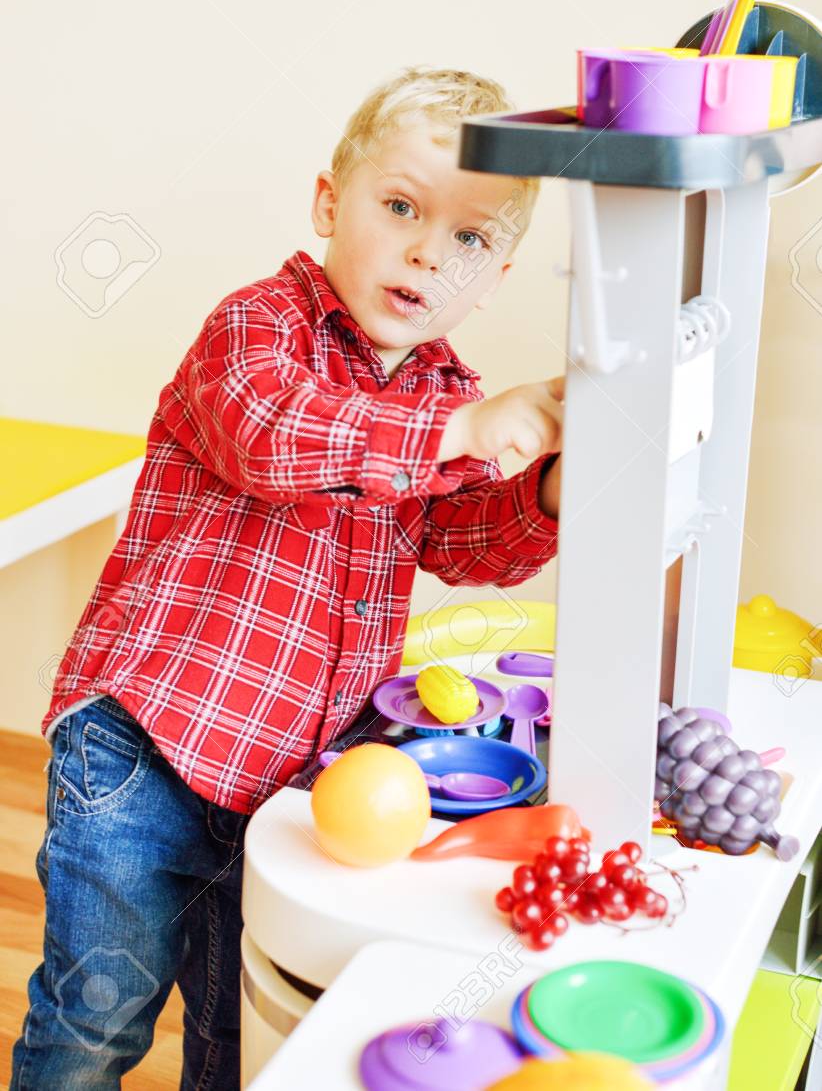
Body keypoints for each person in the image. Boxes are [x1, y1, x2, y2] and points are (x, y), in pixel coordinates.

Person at [11, 65, 564, 1089]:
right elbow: (274, 437)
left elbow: (460, 540)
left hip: (290, 786)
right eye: (400, 205)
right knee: (97, 1016)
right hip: (142, 749)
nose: (426, 250)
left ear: (497, 276)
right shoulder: (257, 329)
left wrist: (550, 488)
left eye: (470, 238)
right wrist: (463, 429)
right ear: (328, 202)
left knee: (243, 1030)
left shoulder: (451, 391)